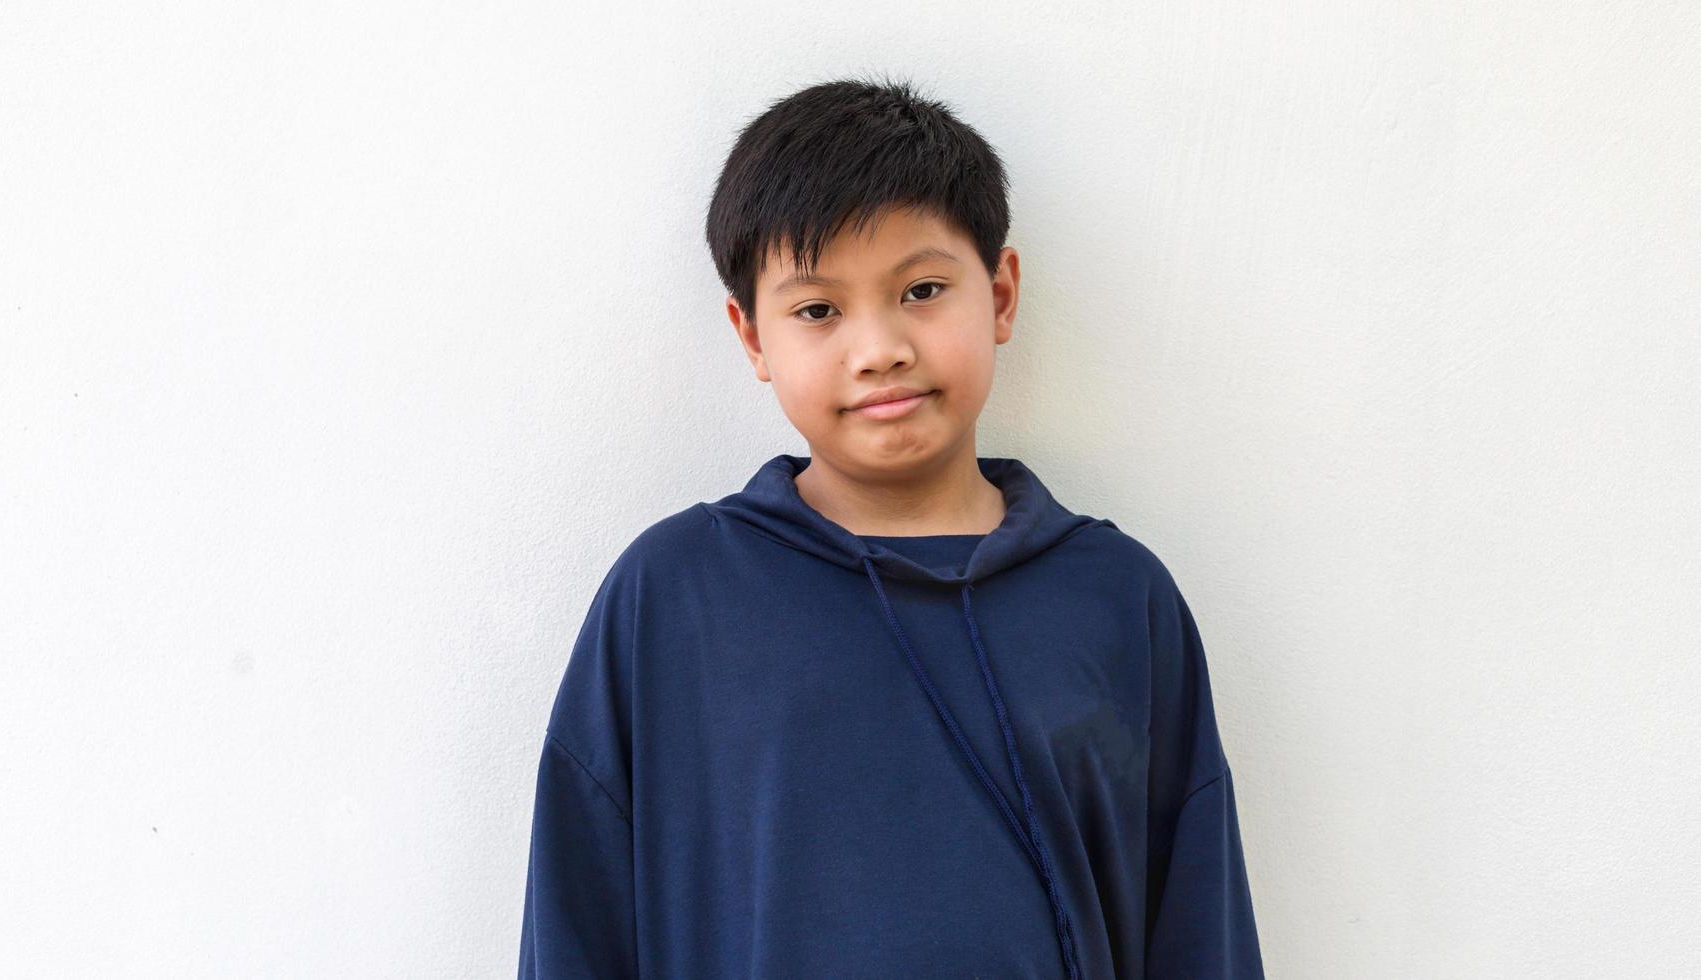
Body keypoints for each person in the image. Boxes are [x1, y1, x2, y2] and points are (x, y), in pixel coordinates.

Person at [517, 75, 1266, 979]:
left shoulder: (1116, 596)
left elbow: (1197, 924)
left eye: (920, 289)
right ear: (752, 337)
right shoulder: (674, 595)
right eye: (818, 310)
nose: (878, 349)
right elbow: (576, 922)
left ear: (999, 296)